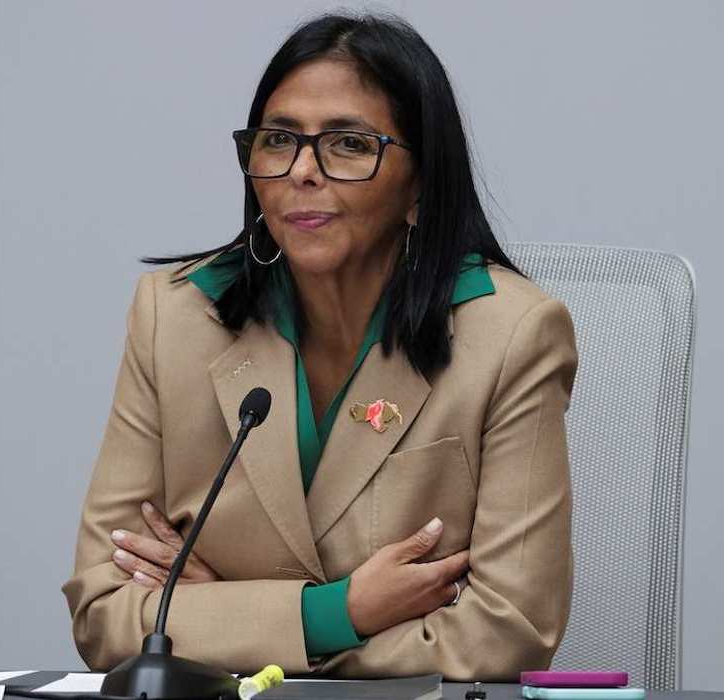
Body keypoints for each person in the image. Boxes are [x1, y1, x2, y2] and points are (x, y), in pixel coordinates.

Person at [61, 11, 577, 681]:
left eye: (348, 145)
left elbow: (507, 632)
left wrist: (214, 621)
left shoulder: (511, 335)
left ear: (420, 182)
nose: (301, 171)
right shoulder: (175, 318)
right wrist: (338, 613)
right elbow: (103, 613)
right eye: (278, 140)